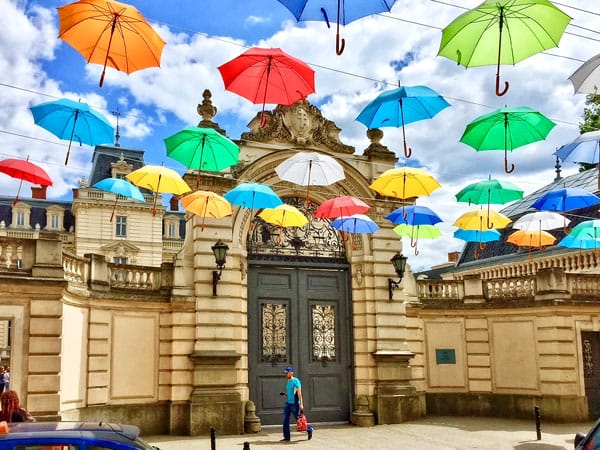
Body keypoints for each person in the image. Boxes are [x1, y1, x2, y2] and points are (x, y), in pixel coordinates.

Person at [280, 366, 312, 442]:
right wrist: (285, 394)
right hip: (288, 403)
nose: (285, 374)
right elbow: (291, 393)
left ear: (291, 373)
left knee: (299, 420)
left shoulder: (296, 381)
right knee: (285, 420)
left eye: (287, 373)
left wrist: (301, 404)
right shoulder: (288, 381)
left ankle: (309, 429)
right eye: (285, 373)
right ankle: (287, 437)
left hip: (295, 404)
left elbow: (299, 393)